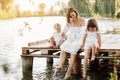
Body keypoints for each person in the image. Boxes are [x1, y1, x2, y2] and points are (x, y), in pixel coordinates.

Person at [54, 7, 86, 79]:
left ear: (76, 13)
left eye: (73, 15)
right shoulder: (70, 21)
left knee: (73, 49)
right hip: (70, 39)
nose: (72, 17)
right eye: (71, 16)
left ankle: (69, 70)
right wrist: (64, 33)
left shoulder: (82, 20)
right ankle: (60, 66)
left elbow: (82, 34)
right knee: (63, 48)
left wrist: (71, 36)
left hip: (79, 39)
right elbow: (63, 32)